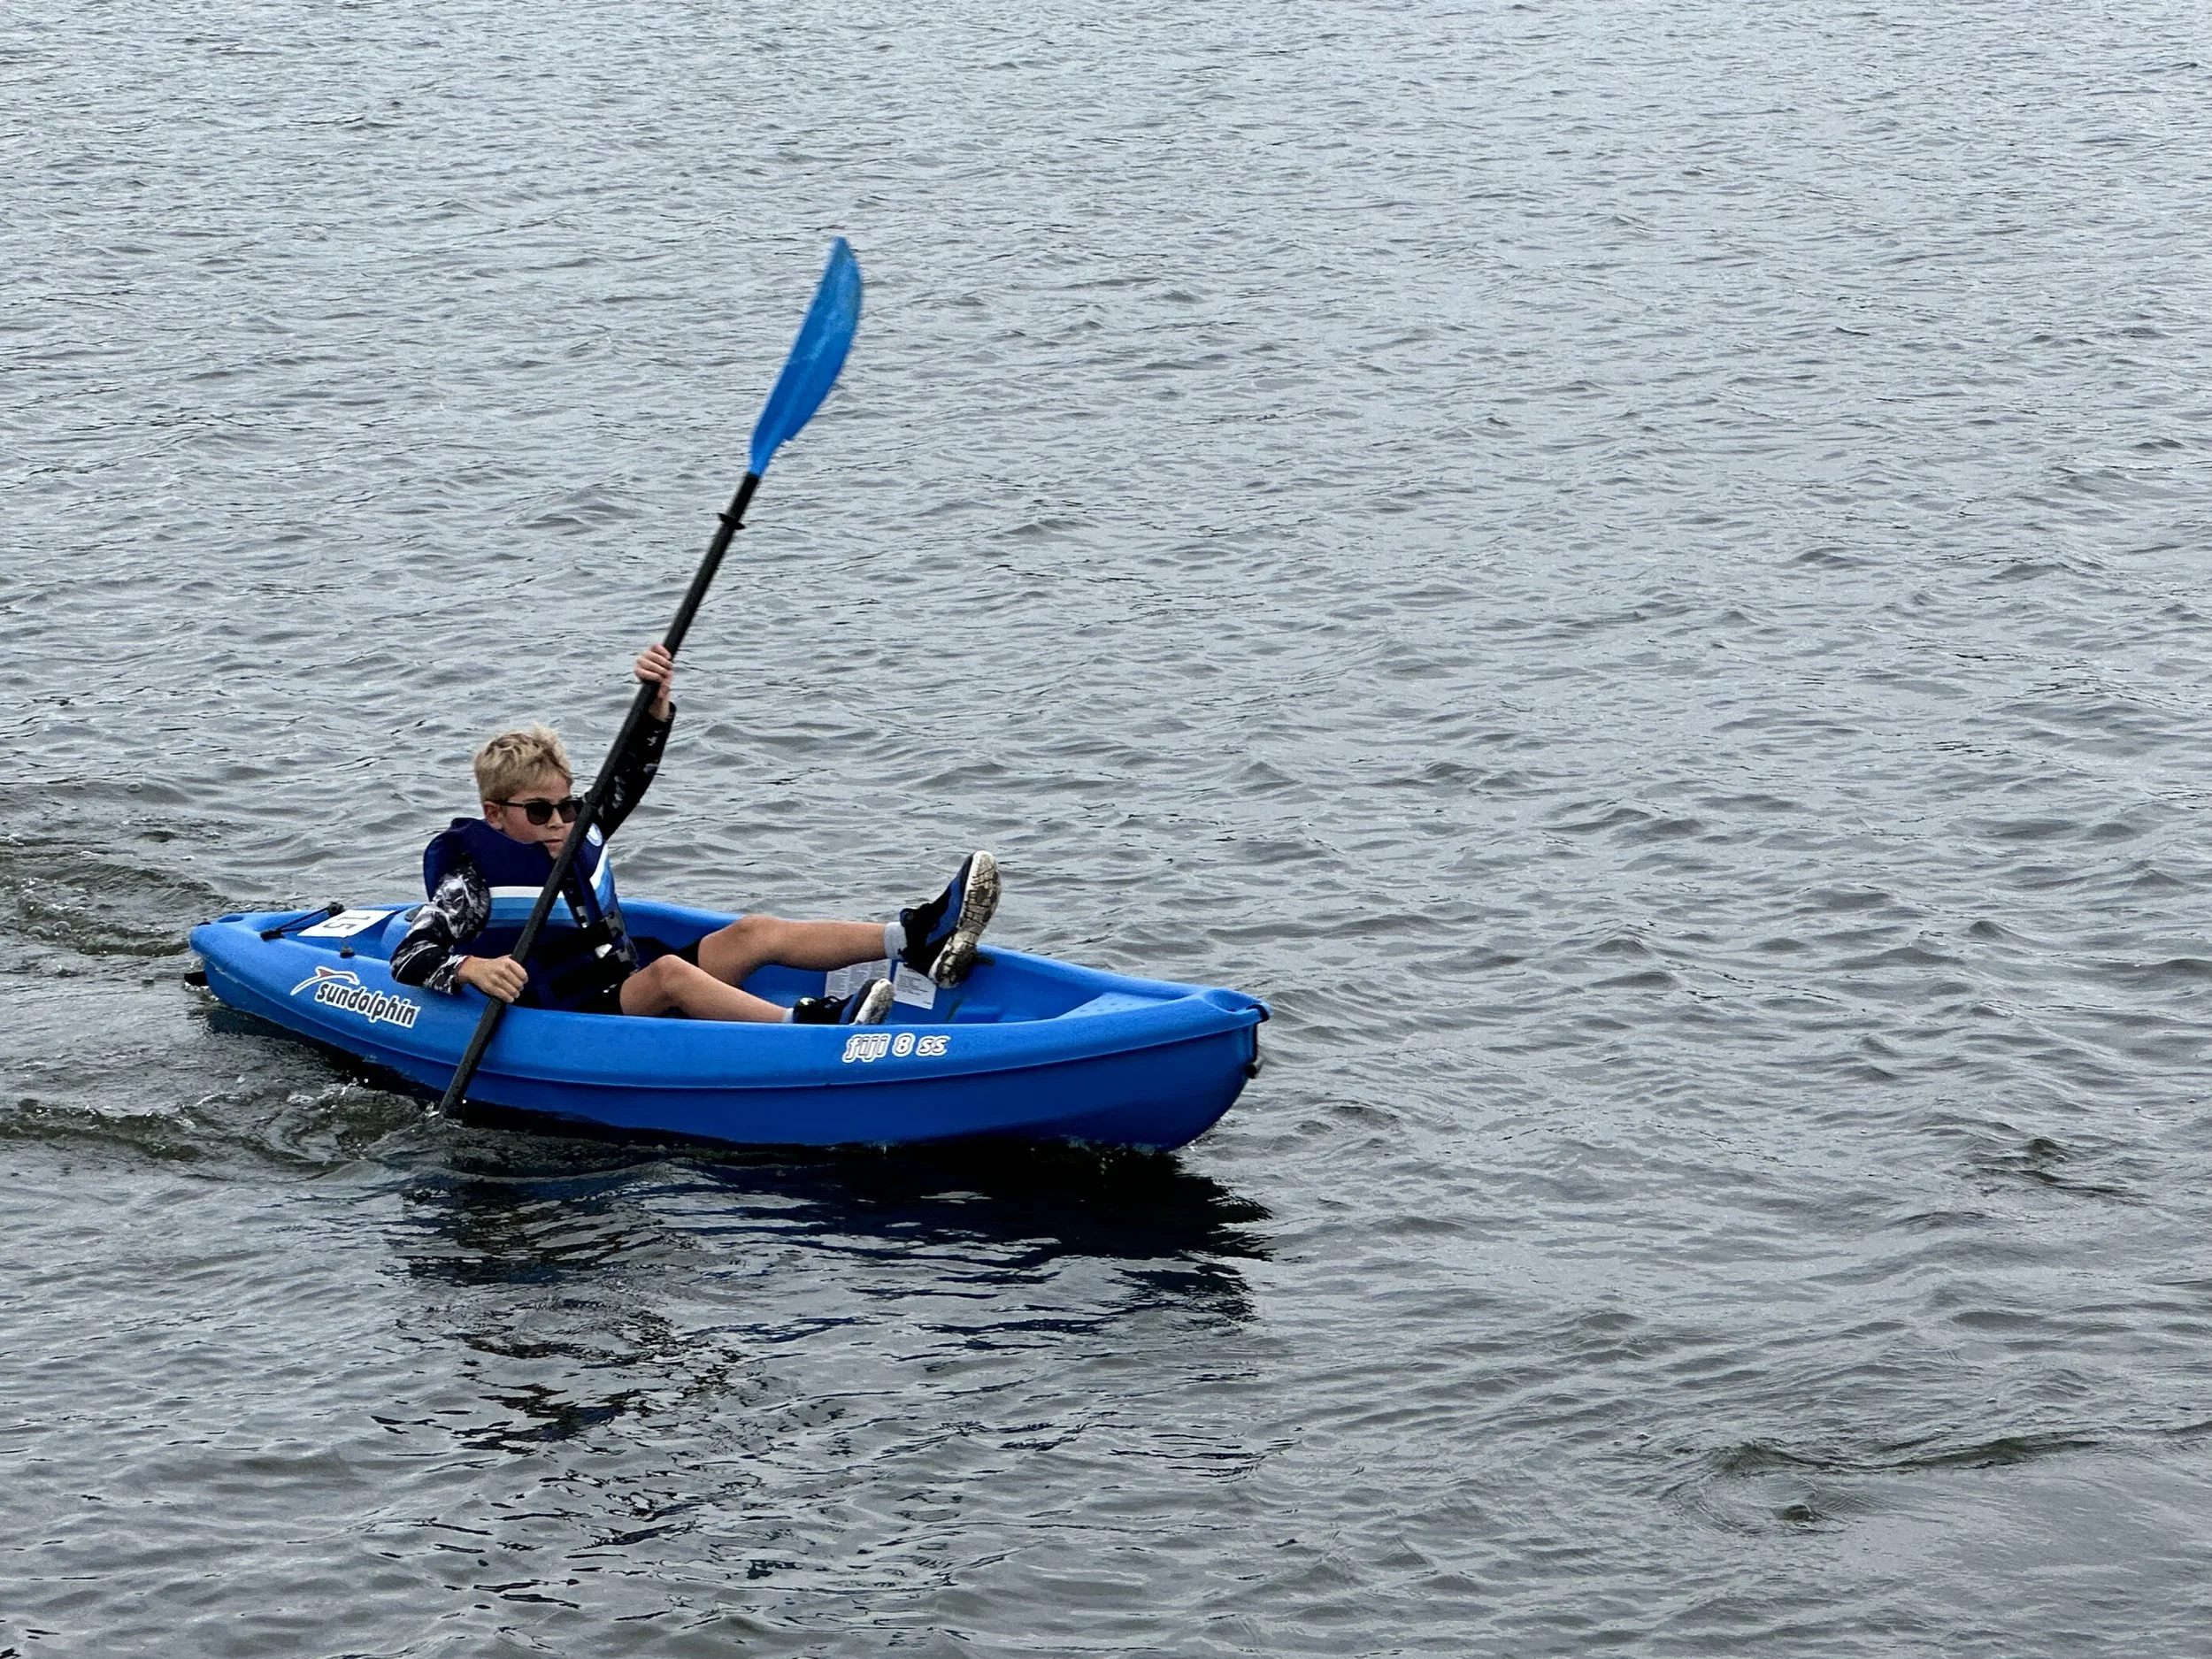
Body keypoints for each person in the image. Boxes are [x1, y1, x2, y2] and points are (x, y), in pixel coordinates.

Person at [388, 641, 998, 1025]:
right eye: (539, 811)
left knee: (754, 931)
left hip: (620, 980)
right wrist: (470, 968)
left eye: (566, 805)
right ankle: (808, 1027)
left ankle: (915, 938)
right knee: (671, 976)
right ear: (495, 813)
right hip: (575, 1013)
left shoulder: (575, 828)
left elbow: (630, 774)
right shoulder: (471, 880)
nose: (559, 822)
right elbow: (410, 955)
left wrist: (656, 704)